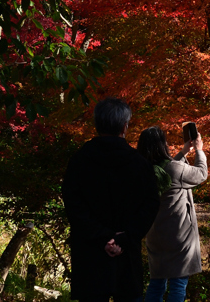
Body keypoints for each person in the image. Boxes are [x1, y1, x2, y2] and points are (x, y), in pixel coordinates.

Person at [63, 98, 161, 302]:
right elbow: (150, 204)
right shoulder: (139, 164)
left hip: (90, 253)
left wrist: (103, 237)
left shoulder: (80, 161)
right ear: (125, 126)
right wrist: (124, 238)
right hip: (126, 253)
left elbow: (73, 205)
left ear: (97, 125)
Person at [137, 126, 208, 302]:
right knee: (178, 284)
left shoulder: (143, 171)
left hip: (155, 236)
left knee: (156, 283)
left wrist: (184, 151)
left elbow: (171, 169)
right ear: (162, 145)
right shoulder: (174, 169)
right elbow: (201, 174)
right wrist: (199, 150)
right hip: (179, 237)